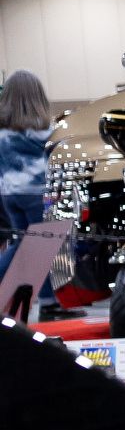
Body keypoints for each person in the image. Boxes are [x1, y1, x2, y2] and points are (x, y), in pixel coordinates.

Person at [0, 69, 51, 285]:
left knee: (25, 244)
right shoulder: (43, 129)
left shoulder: (3, 131)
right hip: (35, 194)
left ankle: (49, 301)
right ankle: (49, 302)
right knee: (40, 246)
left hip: (9, 195)